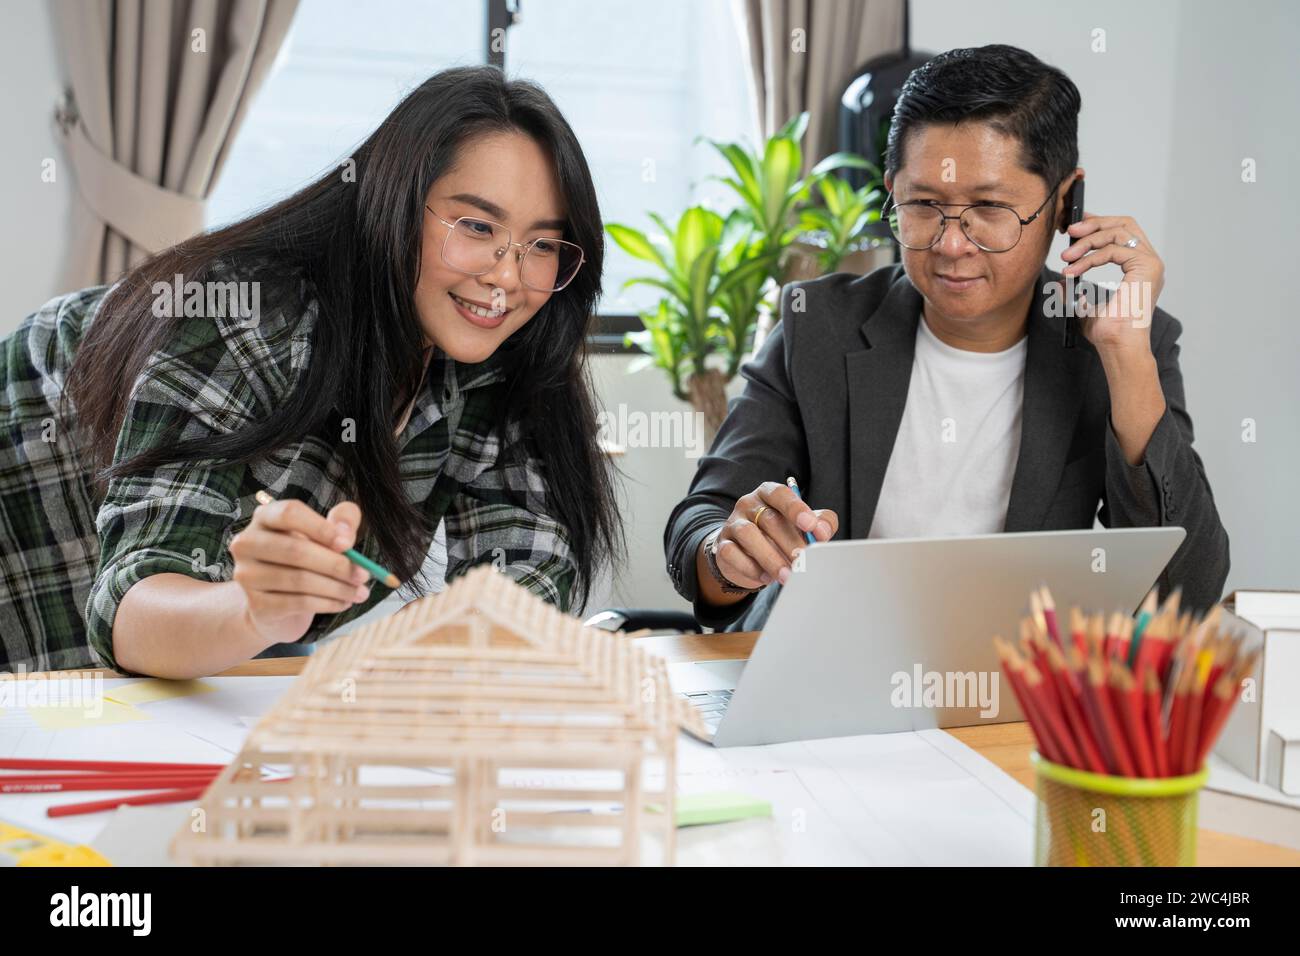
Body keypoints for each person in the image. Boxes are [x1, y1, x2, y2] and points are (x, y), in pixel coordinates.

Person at [0, 66, 620, 677]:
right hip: (31, 458)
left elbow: (528, 572)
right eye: (477, 227)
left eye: (542, 245)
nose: (507, 278)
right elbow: (132, 607)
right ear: (396, 203)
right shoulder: (248, 316)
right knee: (65, 725)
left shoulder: (507, 356)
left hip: (180, 625)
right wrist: (252, 612)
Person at [664, 44, 1229, 632]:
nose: (951, 244)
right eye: (924, 205)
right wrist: (731, 555)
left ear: (1065, 202)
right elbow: (699, 528)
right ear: (892, 190)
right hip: (823, 672)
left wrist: (1125, 358)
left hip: (1003, 695)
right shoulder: (819, 324)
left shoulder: (1121, 342)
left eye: (989, 208)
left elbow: (1186, 596)